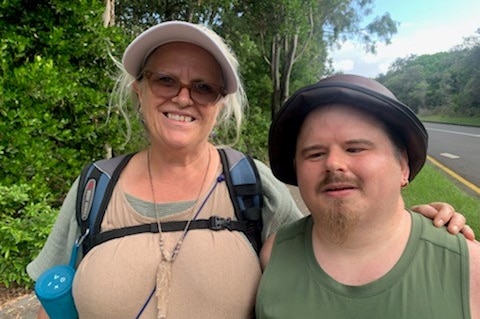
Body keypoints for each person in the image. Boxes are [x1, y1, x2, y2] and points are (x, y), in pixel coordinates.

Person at [27, 21, 471, 319]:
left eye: (203, 87)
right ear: (139, 89)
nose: (184, 97)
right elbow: (50, 300)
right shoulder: (94, 187)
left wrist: (411, 223)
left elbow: (332, 241)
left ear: (219, 103)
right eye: (166, 80)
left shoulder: (250, 181)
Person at [256, 74, 480, 319]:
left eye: (355, 149)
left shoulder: (469, 267)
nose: (333, 163)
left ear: (403, 165)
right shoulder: (274, 255)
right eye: (315, 154)